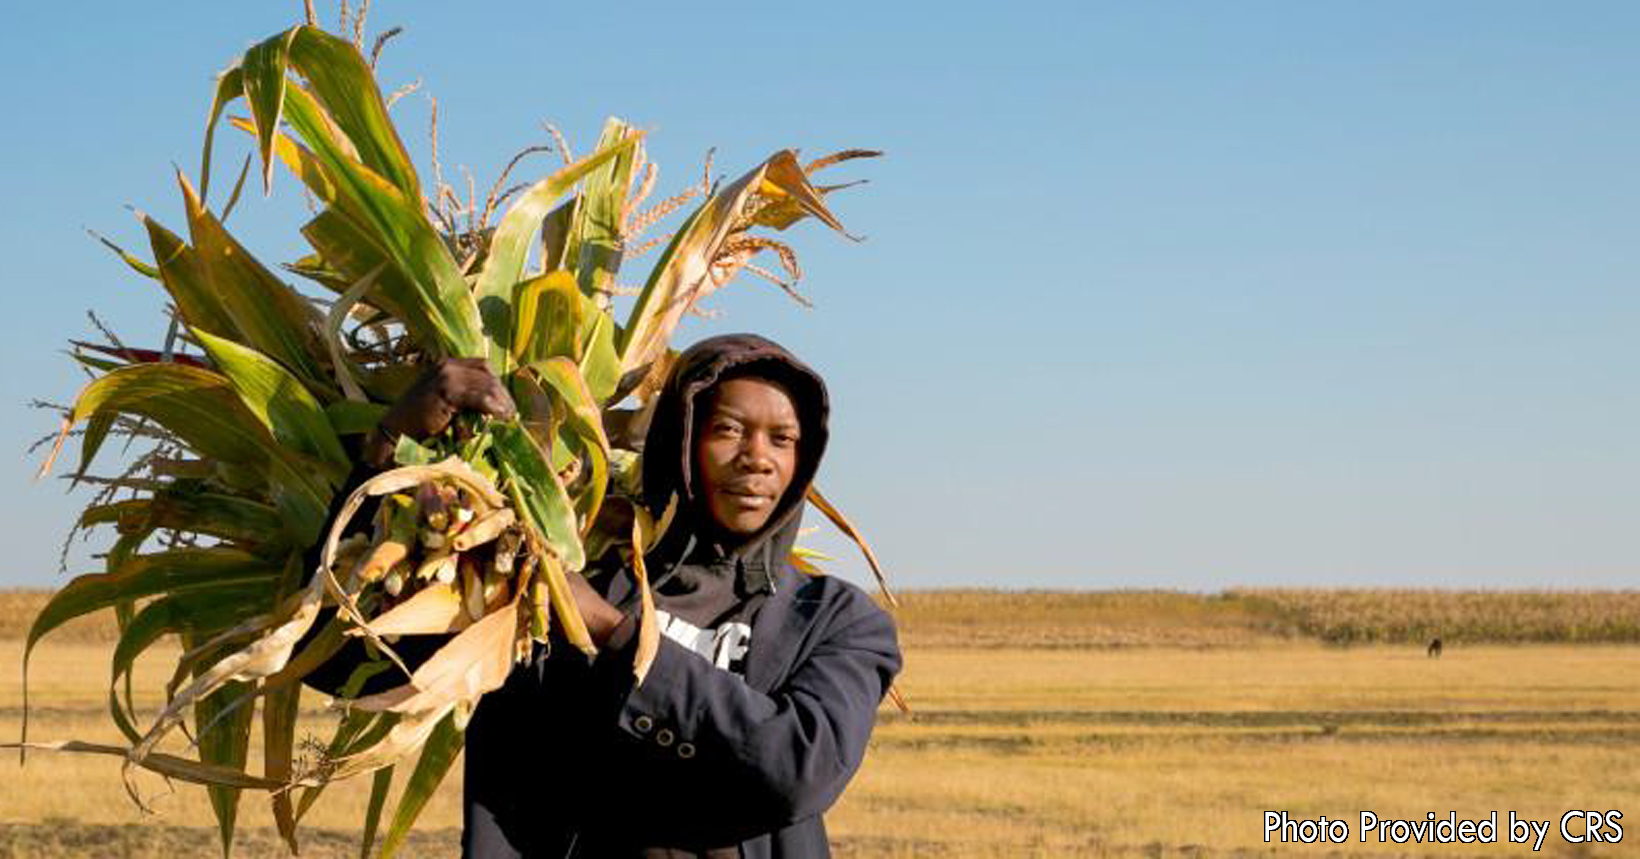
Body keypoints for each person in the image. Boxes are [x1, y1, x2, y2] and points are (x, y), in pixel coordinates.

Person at [317, 333, 902, 858]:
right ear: (681, 440)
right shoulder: (552, 588)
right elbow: (342, 658)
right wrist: (388, 450)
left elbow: (797, 767)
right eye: (728, 430)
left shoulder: (836, 621)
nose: (758, 457)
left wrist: (611, 631)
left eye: (782, 439)